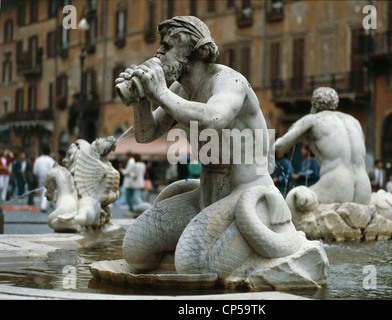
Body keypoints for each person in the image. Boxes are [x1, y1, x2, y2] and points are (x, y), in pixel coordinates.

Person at [117, 16, 275, 268]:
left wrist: (160, 92)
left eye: (167, 46)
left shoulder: (229, 81)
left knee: (191, 263)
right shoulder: (180, 92)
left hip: (246, 196)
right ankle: (194, 256)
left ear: (195, 52)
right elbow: (146, 134)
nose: (158, 52)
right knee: (136, 249)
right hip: (207, 195)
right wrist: (141, 103)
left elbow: (214, 117)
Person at [275, 87, 372, 205]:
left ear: (314, 104)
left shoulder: (314, 120)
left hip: (337, 185)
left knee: (293, 201)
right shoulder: (354, 121)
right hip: (364, 189)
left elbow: (280, 147)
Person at [33, 146, 56, 212]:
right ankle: (44, 206)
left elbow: (35, 170)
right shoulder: (50, 160)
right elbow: (53, 169)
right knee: (46, 190)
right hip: (48, 177)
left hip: (40, 177)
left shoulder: (38, 159)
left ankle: (43, 205)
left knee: (42, 191)